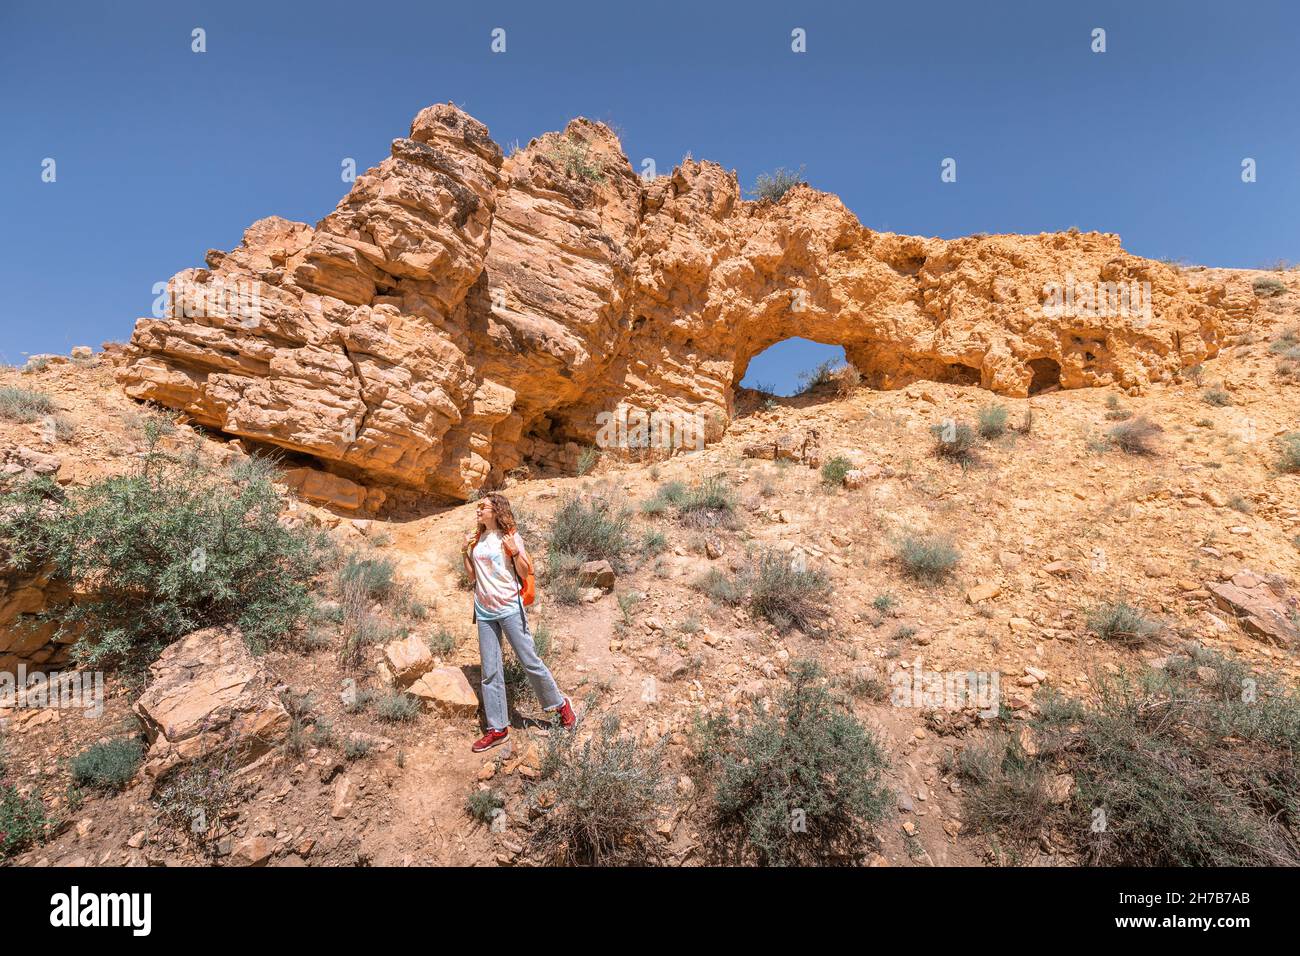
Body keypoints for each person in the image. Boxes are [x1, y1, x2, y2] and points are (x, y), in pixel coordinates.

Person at [462, 492, 577, 752]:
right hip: (484, 611)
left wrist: (515, 553)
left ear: (496, 511)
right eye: (479, 507)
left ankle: (559, 706)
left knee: (529, 661)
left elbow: (525, 572)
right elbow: (472, 578)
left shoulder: (510, 537)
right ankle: (497, 728)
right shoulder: (478, 539)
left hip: (509, 607)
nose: (479, 510)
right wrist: (464, 552)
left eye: (484, 507)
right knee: (490, 671)